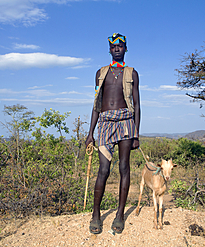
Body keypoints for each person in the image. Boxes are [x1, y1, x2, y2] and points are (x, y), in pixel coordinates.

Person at [85, 33, 140, 234]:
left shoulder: (132, 73)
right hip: (106, 123)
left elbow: (137, 104)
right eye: (113, 46)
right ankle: (96, 215)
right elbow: (96, 105)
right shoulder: (101, 73)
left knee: (124, 167)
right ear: (109, 50)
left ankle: (119, 215)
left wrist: (136, 134)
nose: (117, 49)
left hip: (126, 122)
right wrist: (90, 133)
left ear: (125, 49)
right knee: (103, 170)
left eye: (120, 46)